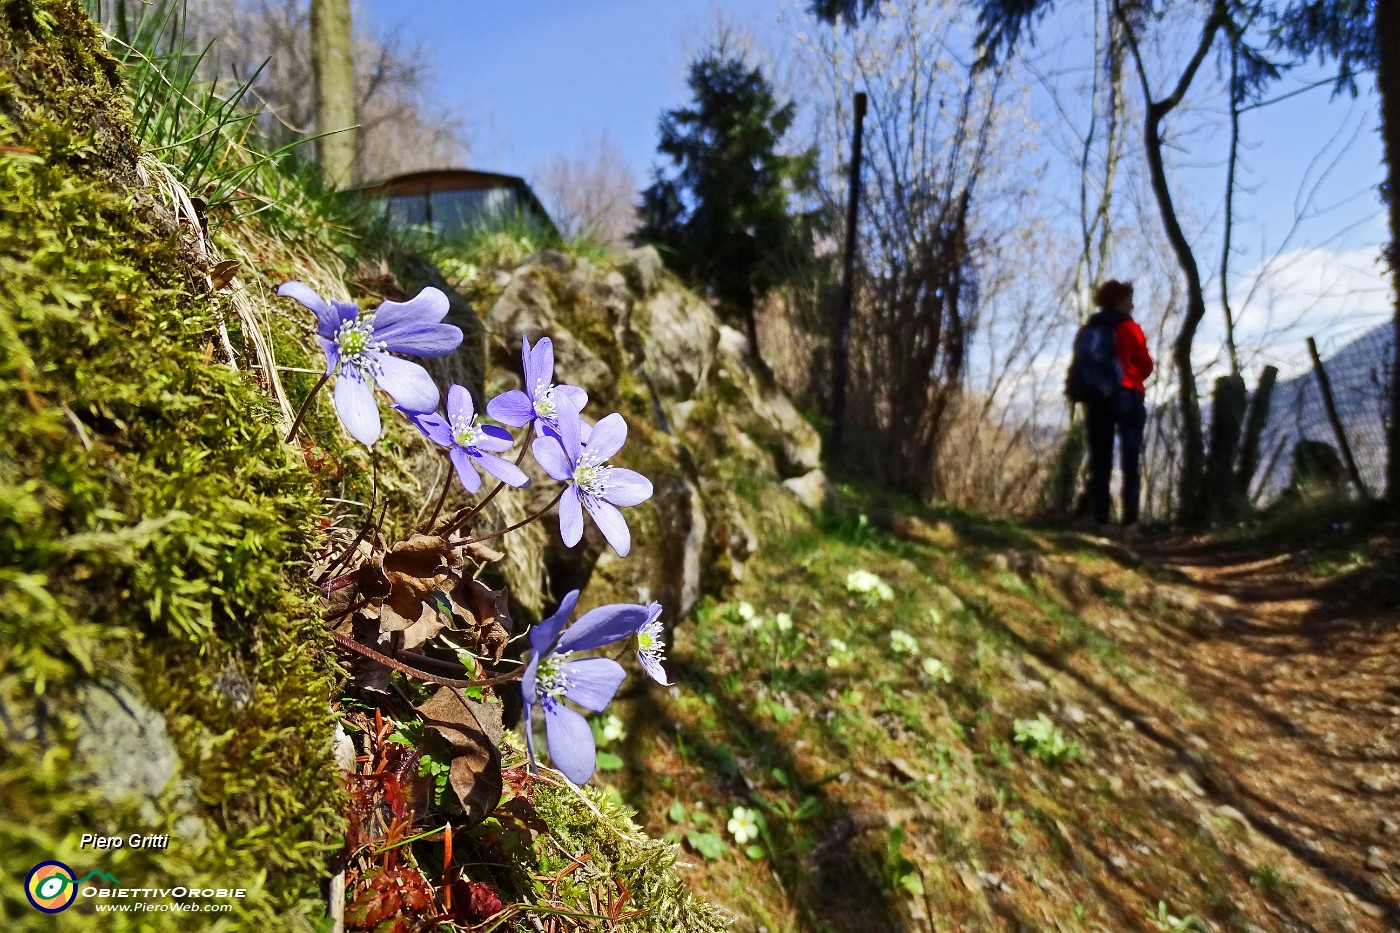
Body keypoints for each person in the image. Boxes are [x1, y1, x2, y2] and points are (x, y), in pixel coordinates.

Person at [1083, 279, 1152, 532]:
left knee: (1100, 461)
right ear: (1118, 301)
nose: (1132, 305)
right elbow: (1146, 365)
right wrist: (1129, 378)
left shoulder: (1090, 328)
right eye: (1128, 300)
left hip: (1097, 399)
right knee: (1130, 461)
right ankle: (1130, 523)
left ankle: (1100, 520)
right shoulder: (1129, 327)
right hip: (1127, 397)